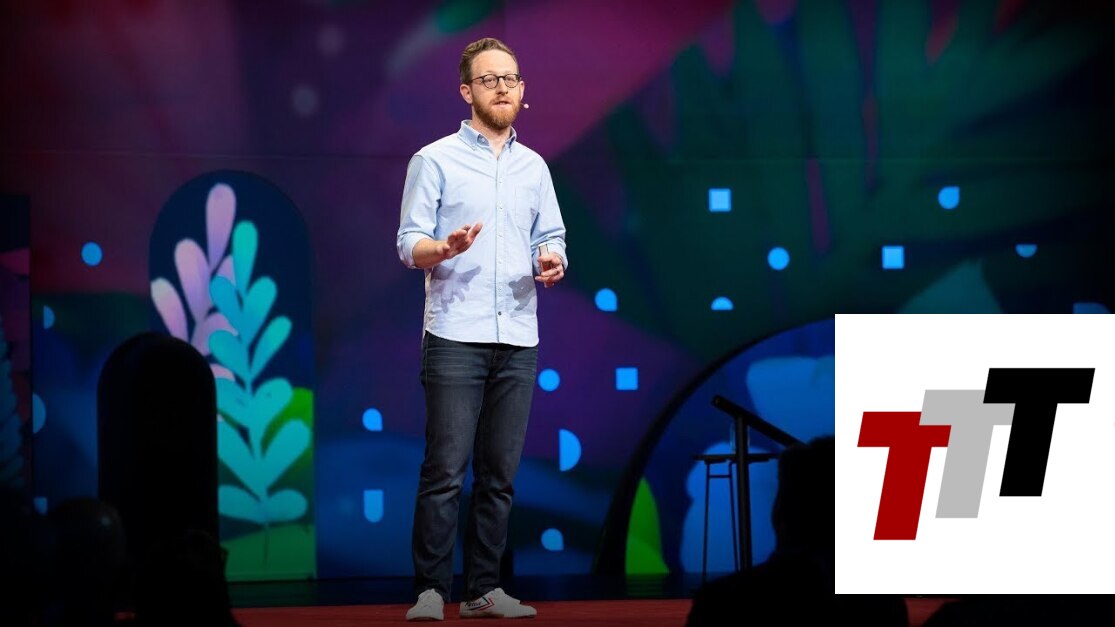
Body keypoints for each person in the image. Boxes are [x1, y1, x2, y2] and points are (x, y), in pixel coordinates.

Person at [396, 36, 567, 621]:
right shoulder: (434, 159)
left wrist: (553, 260)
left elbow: (551, 235)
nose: (502, 88)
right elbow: (408, 243)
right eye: (489, 80)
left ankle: (485, 590)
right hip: (455, 333)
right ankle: (430, 590)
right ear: (466, 91)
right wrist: (443, 248)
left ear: (522, 91)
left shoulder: (534, 167)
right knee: (445, 470)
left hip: (517, 335)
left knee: (500, 476)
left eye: (510, 79)